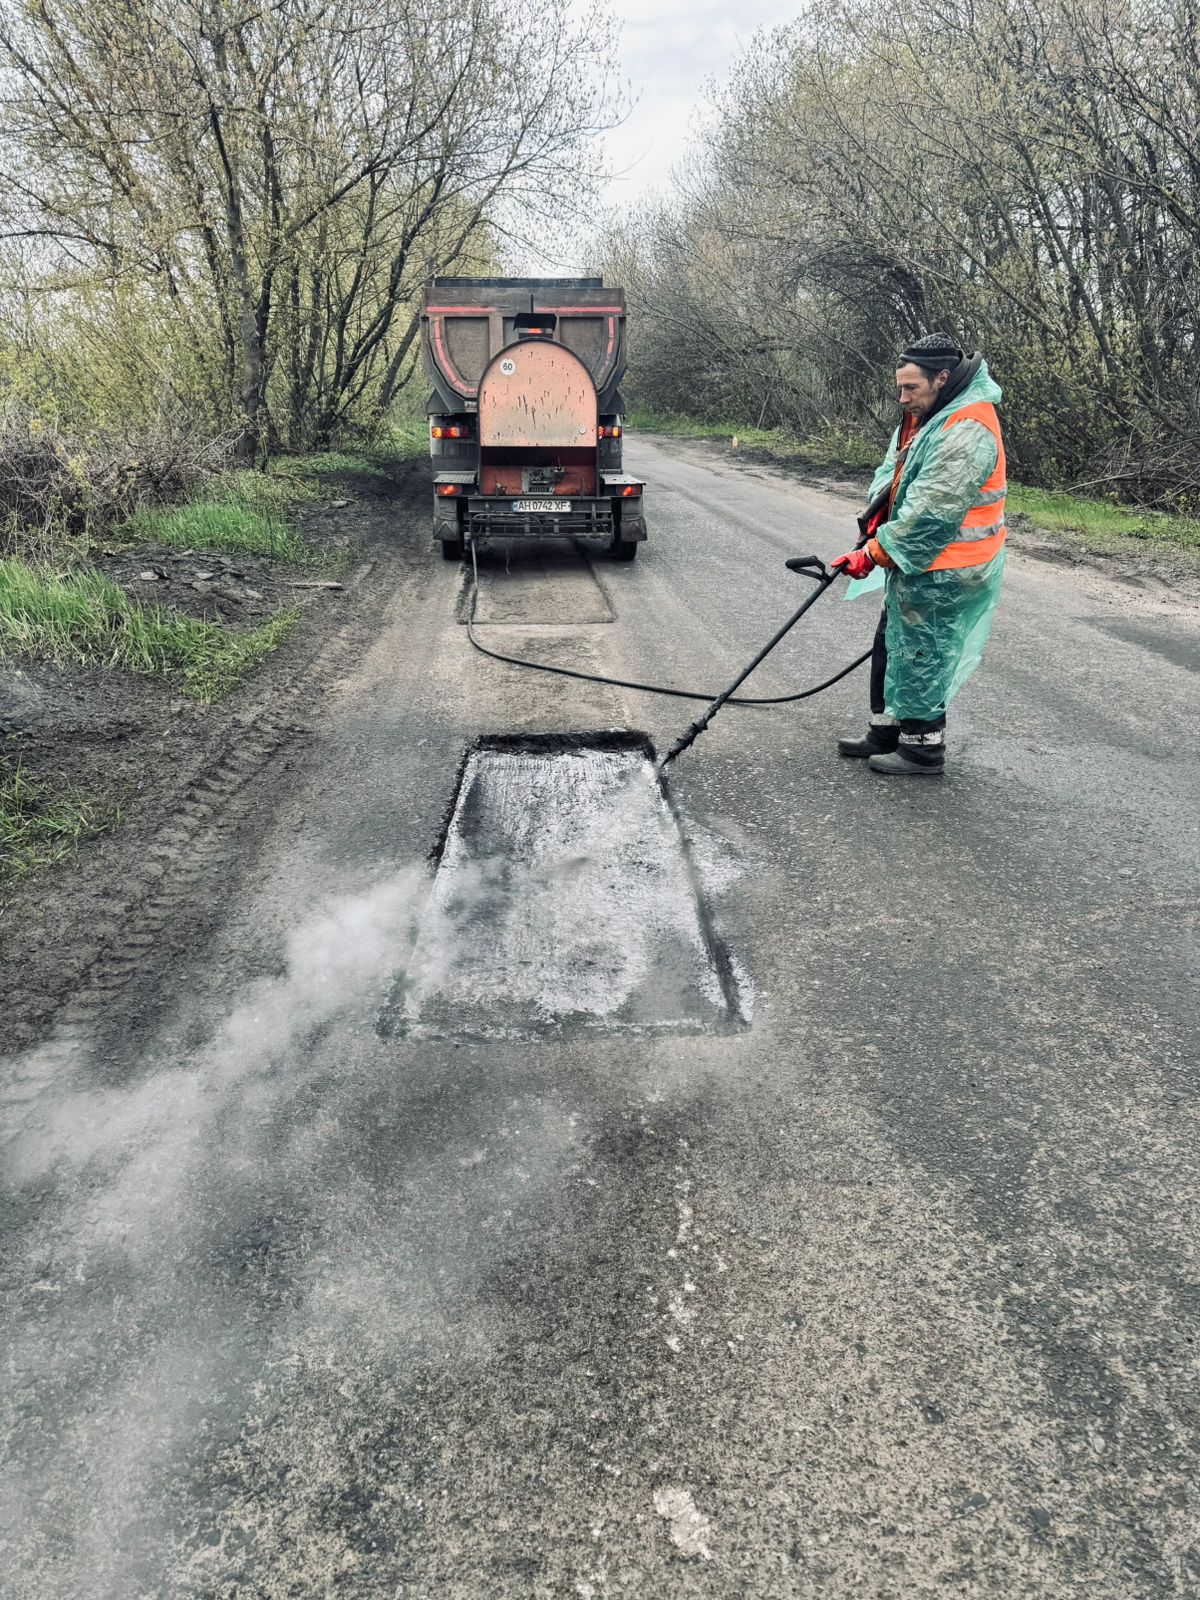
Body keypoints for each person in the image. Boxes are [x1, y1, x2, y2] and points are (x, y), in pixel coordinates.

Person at [833, 333, 1008, 777]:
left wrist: (875, 552)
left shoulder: (967, 428)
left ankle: (922, 751)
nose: (902, 397)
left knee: (923, 653)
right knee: (892, 644)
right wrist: (874, 523)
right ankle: (885, 731)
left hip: (950, 566)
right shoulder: (931, 413)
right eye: (900, 387)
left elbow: (932, 511)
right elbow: (897, 474)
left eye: (911, 388)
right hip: (920, 562)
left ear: (942, 378)